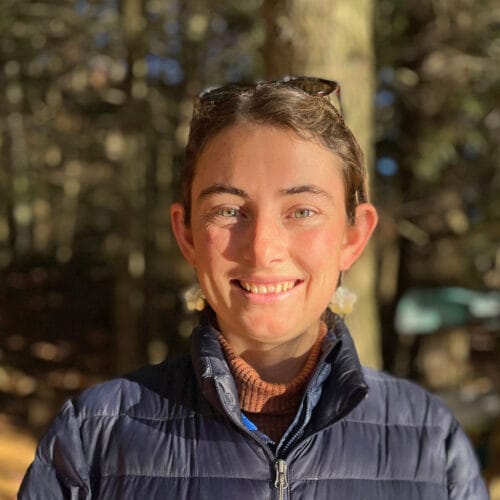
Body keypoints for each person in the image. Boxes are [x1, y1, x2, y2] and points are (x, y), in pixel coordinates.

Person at [19, 77, 488, 499]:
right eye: (228, 210)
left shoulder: (429, 437)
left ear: (353, 236)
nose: (263, 250)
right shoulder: (93, 438)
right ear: (187, 235)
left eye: (302, 211)